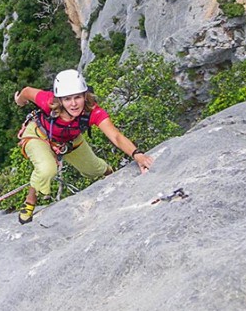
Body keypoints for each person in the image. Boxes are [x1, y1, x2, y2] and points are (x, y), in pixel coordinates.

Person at [13, 69, 153, 224]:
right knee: (46, 169)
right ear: (60, 100)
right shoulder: (48, 101)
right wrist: (20, 100)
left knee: (93, 169)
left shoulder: (92, 111)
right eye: (67, 99)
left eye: (77, 97)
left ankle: (110, 173)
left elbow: (116, 136)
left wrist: (137, 154)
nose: (73, 104)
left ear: (85, 95)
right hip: (39, 135)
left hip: (69, 141)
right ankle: (30, 201)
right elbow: (26, 92)